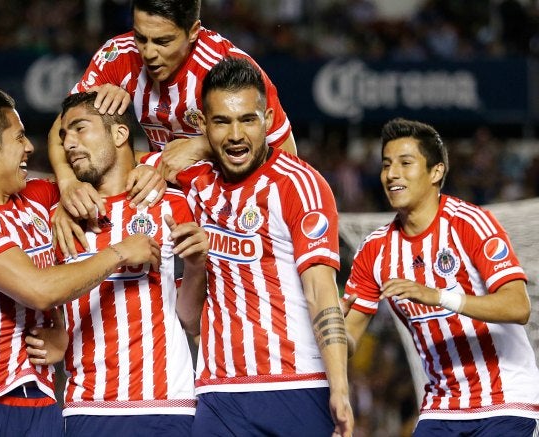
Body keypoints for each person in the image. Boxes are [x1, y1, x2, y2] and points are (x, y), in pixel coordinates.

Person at [0, 87, 161, 437]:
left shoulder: (36, 199)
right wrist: (119, 253)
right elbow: (38, 290)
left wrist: (153, 167)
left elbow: (98, 158)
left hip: (40, 399)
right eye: (19, 137)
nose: (30, 147)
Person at [167, 57, 353, 436]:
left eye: (247, 120)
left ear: (268, 119)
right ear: (203, 126)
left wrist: (340, 388)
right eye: (222, 122)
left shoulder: (300, 185)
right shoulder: (194, 187)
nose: (236, 135)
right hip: (218, 394)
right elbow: (189, 318)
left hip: (297, 385)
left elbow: (321, 291)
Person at [342, 118, 539, 436]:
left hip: (507, 399)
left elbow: (518, 306)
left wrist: (438, 296)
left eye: (406, 163)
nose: (392, 174)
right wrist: (329, 331)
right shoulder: (374, 249)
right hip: (442, 405)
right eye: (387, 165)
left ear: (436, 172)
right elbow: (349, 335)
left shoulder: (471, 224)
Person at [39, 91, 208, 436]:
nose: (68, 143)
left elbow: (193, 321)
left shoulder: (173, 202)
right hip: (85, 406)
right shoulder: (58, 218)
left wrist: (196, 267)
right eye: (63, 136)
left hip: (166, 405)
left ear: (119, 135)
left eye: (79, 129)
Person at [48, 0, 297, 229]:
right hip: (162, 199)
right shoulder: (118, 57)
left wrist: (203, 145)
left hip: (230, 208)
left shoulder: (228, 69)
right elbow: (62, 131)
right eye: (140, 38)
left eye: (163, 41)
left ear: (193, 32)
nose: (148, 53)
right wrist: (69, 184)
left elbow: (286, 155)